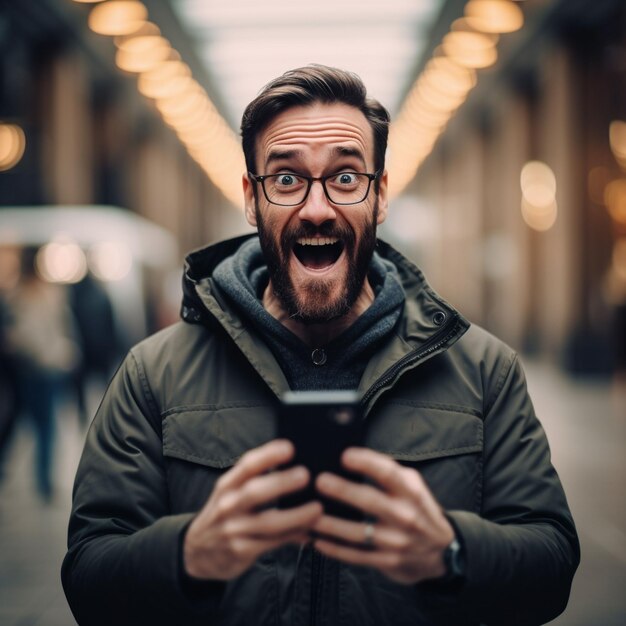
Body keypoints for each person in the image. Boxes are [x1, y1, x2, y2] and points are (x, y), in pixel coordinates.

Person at [62, 65, 579, 625]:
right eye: (286, 179)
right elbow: (90, 577)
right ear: (251, 198)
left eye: (346, 178)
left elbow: (550, 568)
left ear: (380, 195)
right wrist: (188, 555)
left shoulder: (484, 371)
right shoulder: (153, 375)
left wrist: (452, 552)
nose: (316, 208)